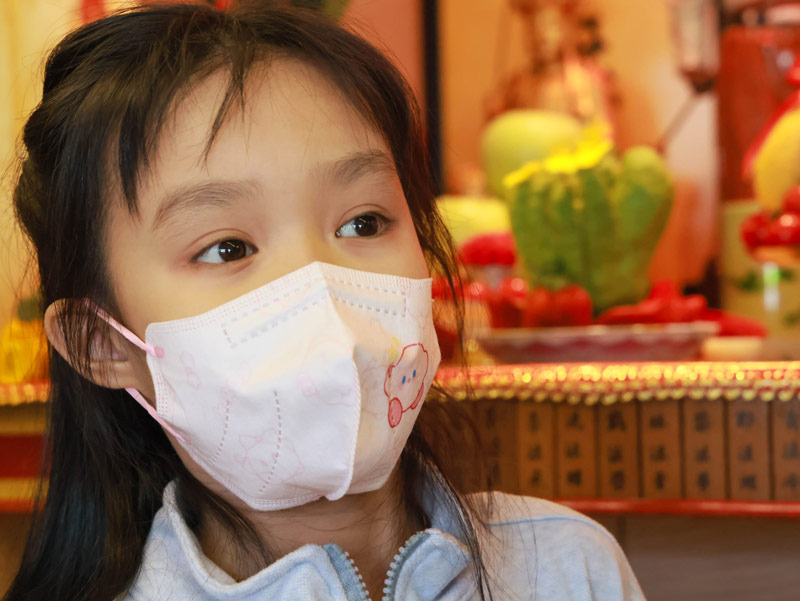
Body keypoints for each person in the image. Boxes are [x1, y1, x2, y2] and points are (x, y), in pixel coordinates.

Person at [4, 3, 646, 600]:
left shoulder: (569, 569)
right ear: (101, 342)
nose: (319, 283)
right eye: (227, 248)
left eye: (364, 223)